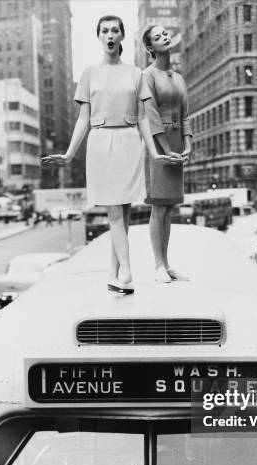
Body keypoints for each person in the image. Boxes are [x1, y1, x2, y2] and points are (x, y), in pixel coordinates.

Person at [41, 15, 174, 294]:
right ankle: (126, 272)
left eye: (115, 30)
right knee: (115, 210)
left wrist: (155, 152)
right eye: (105, 31)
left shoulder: (135, 74)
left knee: (123, 213)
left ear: (121, 36)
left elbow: (143, 118)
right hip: (101, 143)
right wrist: (68, 154)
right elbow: (83, 119)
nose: (110, 34)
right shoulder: (89, 74)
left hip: (129, 142)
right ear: (99, 37)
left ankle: (113, 274)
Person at [141, 24, 191, 282]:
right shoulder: (147, 76)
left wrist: (187, 143)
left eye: (165, 33)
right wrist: (166, 149)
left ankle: (167, 263)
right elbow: (150, 116)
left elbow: (185, 113)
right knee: (158, 207)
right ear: (150, 48)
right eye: (158, 36)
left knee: (170, 207)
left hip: (176, 144)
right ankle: (158, 265)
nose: (165, 37)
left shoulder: (179, 78)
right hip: (157, 145)